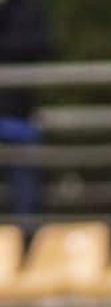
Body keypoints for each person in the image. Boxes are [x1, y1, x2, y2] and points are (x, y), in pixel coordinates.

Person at [0, 0, 53, 221]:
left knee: (26, 193)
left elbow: (44, 46)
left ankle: (26, 240)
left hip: (18, 117)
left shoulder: (28, 9)